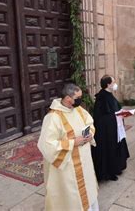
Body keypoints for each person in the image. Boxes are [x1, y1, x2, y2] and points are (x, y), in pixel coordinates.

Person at [38, 83, 99, 211]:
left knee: (88, 191)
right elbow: (46, 145)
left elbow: (90, 122)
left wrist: (90, 134)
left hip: (84, 161)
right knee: (71, 200)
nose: (80, 100)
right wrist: (72, 143)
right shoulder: (53, 117)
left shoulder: (78, 109)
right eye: (78, 97)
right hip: (68, 168)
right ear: (67, 99)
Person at [91, 75, 130, 182]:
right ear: (108, 84)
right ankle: (109, 172)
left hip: (115, 128)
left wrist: (121, 114)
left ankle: (117, 168)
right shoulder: (101, 98)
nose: (115, 84)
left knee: (116, 147)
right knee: (110, 149)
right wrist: (116, 115)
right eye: (113, 82)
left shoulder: (109, 94)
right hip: (107, 131)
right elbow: (100, 117)